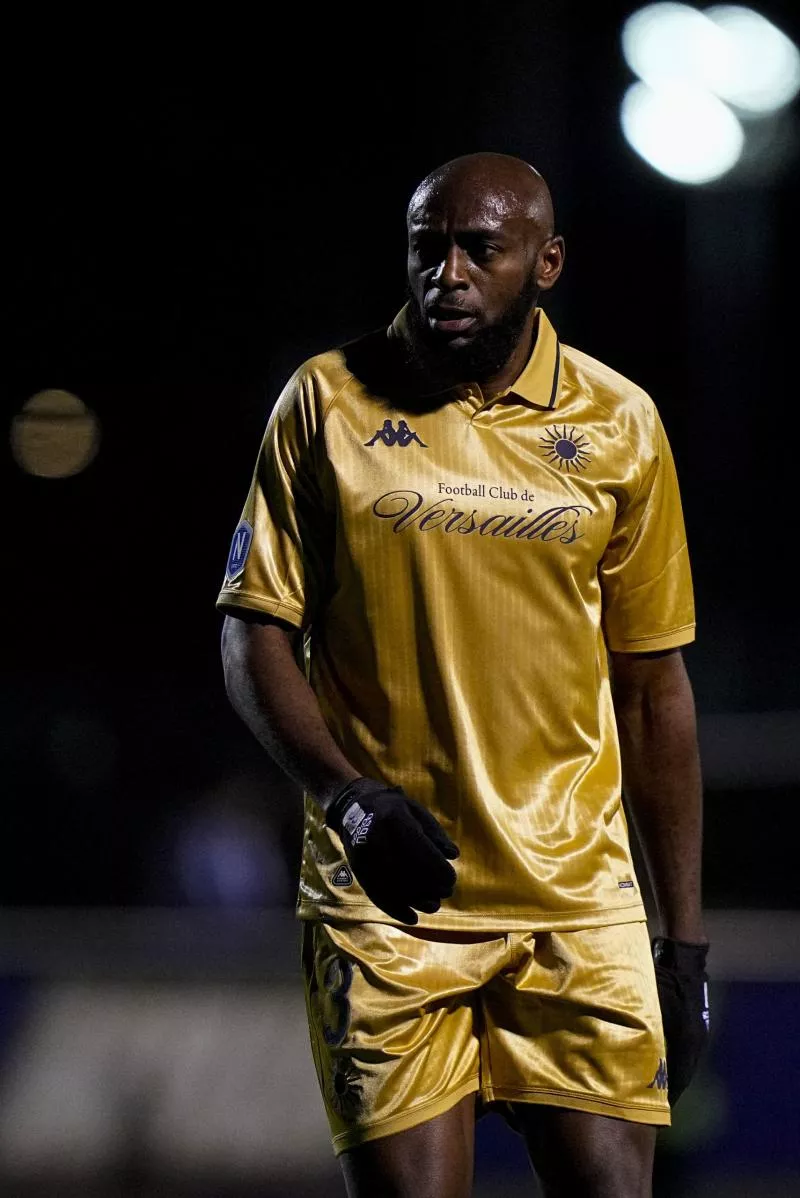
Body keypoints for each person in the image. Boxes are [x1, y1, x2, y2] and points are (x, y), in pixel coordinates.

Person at [218, 153, 709, 1198]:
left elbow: (653, 692)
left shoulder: (621, 423)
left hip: (575, 904)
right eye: (424, 246)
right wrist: (348, 801)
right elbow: (252, 634)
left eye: (478, 249)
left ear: (544, 261)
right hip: (386, 906)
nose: (445, 272)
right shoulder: (324, 402)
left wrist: (685, 941)